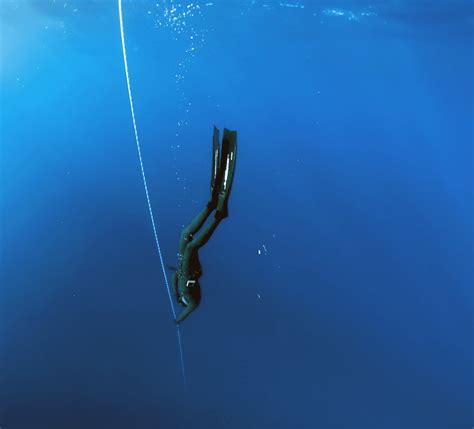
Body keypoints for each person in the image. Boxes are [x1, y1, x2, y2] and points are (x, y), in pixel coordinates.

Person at [171, 126, 237, 324]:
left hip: (182, 265)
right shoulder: (192, 302)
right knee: (191, 247)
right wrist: (178, 321)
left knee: (185, 234)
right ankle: (219, 216)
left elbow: (174, 279)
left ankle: (210, 206)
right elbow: (189, 310)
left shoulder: (180, 297)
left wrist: (175, 293)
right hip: (190, 270)